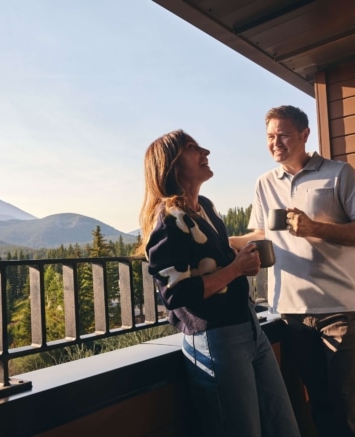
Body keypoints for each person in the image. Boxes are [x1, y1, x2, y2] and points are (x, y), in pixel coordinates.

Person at [137, 129, 300, 437]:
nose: (205, 152)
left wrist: (241, 265)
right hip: (216, 340)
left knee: (284, 426)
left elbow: (222, 265)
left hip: (250, 328)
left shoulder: (207, 208)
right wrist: (236, 270)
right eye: (192, 148)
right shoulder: (169, 221)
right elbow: (177, 294)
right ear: (171, 165)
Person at [229, 105, 355, 436]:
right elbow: (263, 232)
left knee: (351, 409)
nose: (275, 142)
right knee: (318, 407)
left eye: (282, 135)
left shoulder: (339, 173)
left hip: (341, 311)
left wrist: (315, 228)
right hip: (292, 314)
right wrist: (226, 242)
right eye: (269, 136)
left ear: (304, 134)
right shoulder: (265, 183)